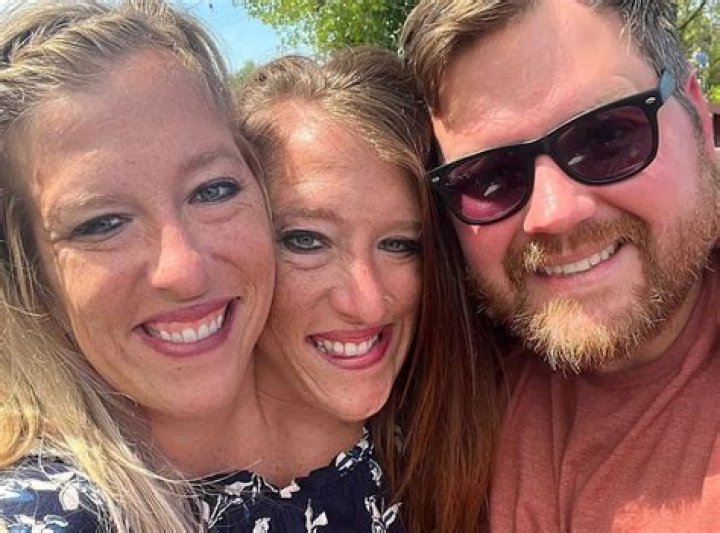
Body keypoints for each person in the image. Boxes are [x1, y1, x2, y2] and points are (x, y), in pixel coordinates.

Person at [402, 0, 719, 530]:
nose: (554, 213)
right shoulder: (424, 392)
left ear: (700, 118)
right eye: (489, 177)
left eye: (607, 137)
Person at [0, 1, 276, 531]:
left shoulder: (383, 428)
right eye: (102, 224)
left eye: (213, 191)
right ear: (32, 275)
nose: (184, 270)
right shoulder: (47, 511)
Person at [235, 47, 501, 532]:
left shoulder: (472, 444)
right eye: (307, 240)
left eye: (400, 244)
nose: (367, 302)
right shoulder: (129, 505)